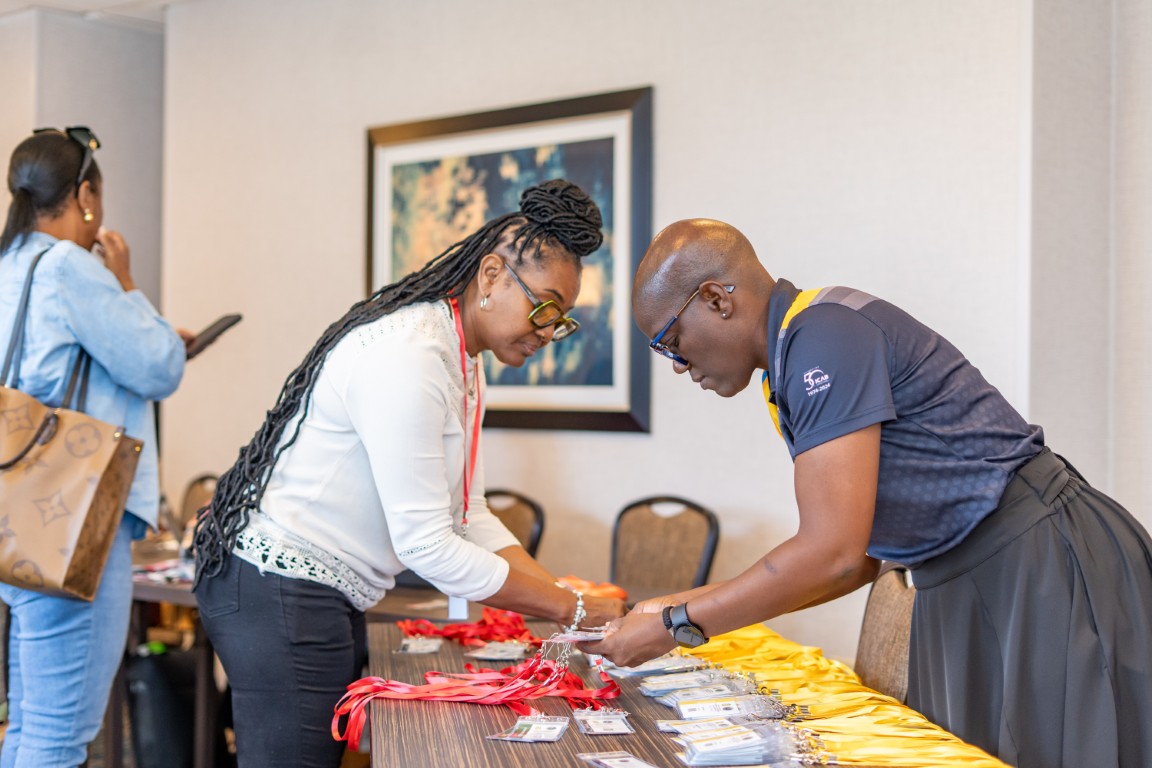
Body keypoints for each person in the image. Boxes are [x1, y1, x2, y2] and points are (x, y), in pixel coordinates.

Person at [582, 218, 1152, 768]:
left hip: (1036, 560)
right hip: (959, 577)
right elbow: (854, 562)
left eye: (671, 342)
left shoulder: (823, 336)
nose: (678, 366)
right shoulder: (793, 357)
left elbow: (832, 555)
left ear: (716, 299)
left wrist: (677, 622)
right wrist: (676, 608)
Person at [192, 178, 626, 768]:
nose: (550, 331)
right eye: (545, 307)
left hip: (320, 590)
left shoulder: (460, 356)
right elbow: (426, 545)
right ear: (492, 275)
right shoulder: (411, 355)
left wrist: (563, 599)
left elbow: (469, 514)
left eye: (563, 319)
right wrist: (569, 608)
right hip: (281, 587)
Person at [0, 127, 187, 767]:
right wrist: (127, 282)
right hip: (75, 516)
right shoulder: (67, 268)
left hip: (19, 516)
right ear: (84, 196)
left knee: (29, 722)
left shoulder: (9, 265)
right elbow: (159, 366)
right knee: (60, 732)